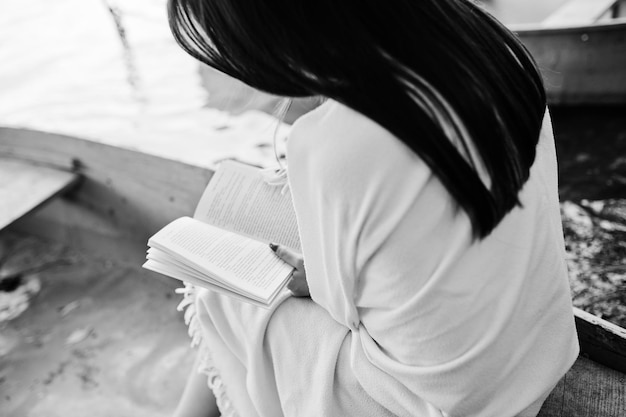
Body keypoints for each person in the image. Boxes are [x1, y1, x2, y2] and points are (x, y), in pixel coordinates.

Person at [168, 0, 579, 416]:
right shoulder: (489, 43)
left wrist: (315, 278)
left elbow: (341, 310)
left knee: (217, 294)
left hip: (437, 405)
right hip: (539, 354)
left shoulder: (332, 140)